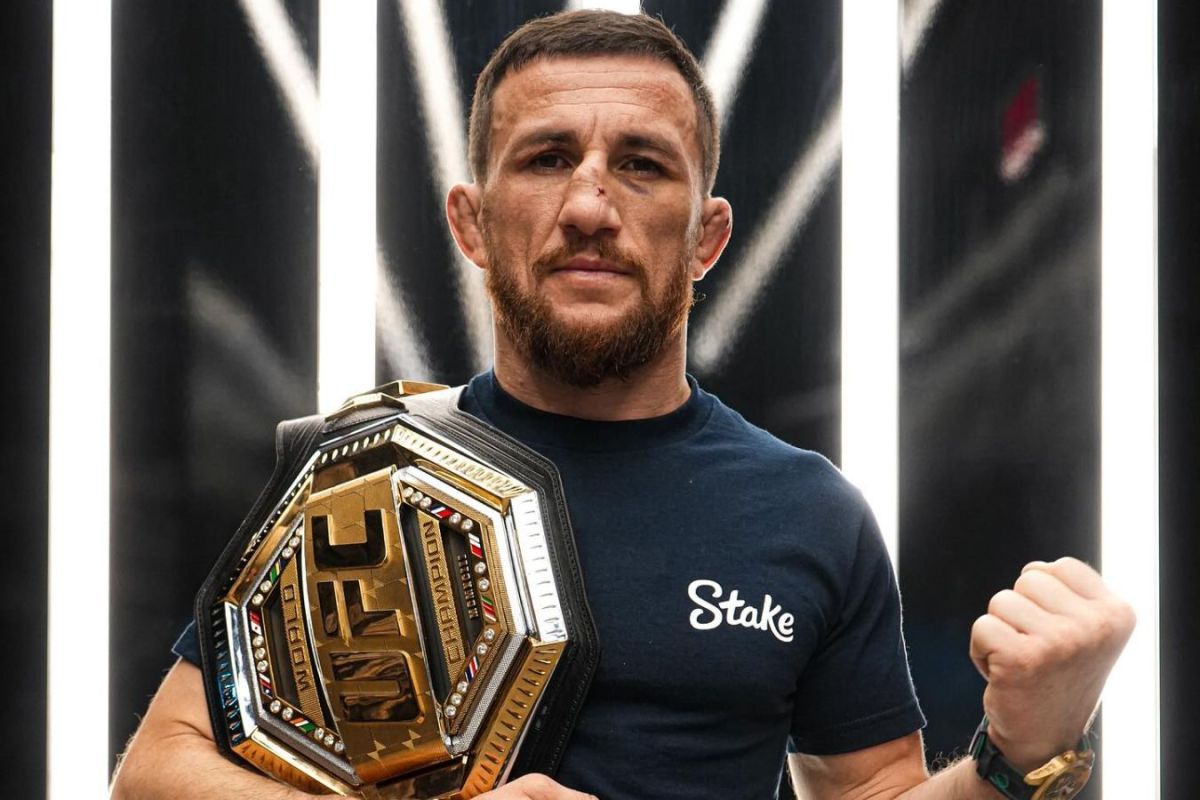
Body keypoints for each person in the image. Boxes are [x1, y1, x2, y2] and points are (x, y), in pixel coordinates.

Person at [110, 10, 1134, 800]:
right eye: (547, 158)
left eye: (642, 166)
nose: (591, 206)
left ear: (707, 237)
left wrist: (1026, 750)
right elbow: (157, 770)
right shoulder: (363, 476)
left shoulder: (809, 511)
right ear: (472, 222)